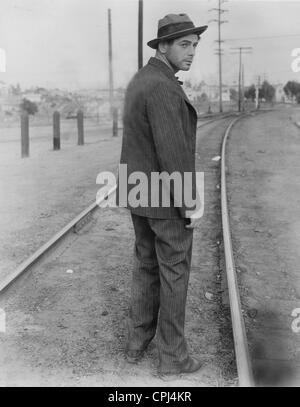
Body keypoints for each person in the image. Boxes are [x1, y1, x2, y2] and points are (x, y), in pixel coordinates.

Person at [117, 13, 208, 375]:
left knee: (145, 265)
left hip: (138, 193)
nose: (191, 52)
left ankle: (136, 344)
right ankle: (172, 357)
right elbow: (172, 151)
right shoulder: (164, 86)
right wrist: (188, 204)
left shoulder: (141, 80)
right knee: (174, 271)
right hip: (163, 196)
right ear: (164, 46)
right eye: (184, 45)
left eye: (195, 45)